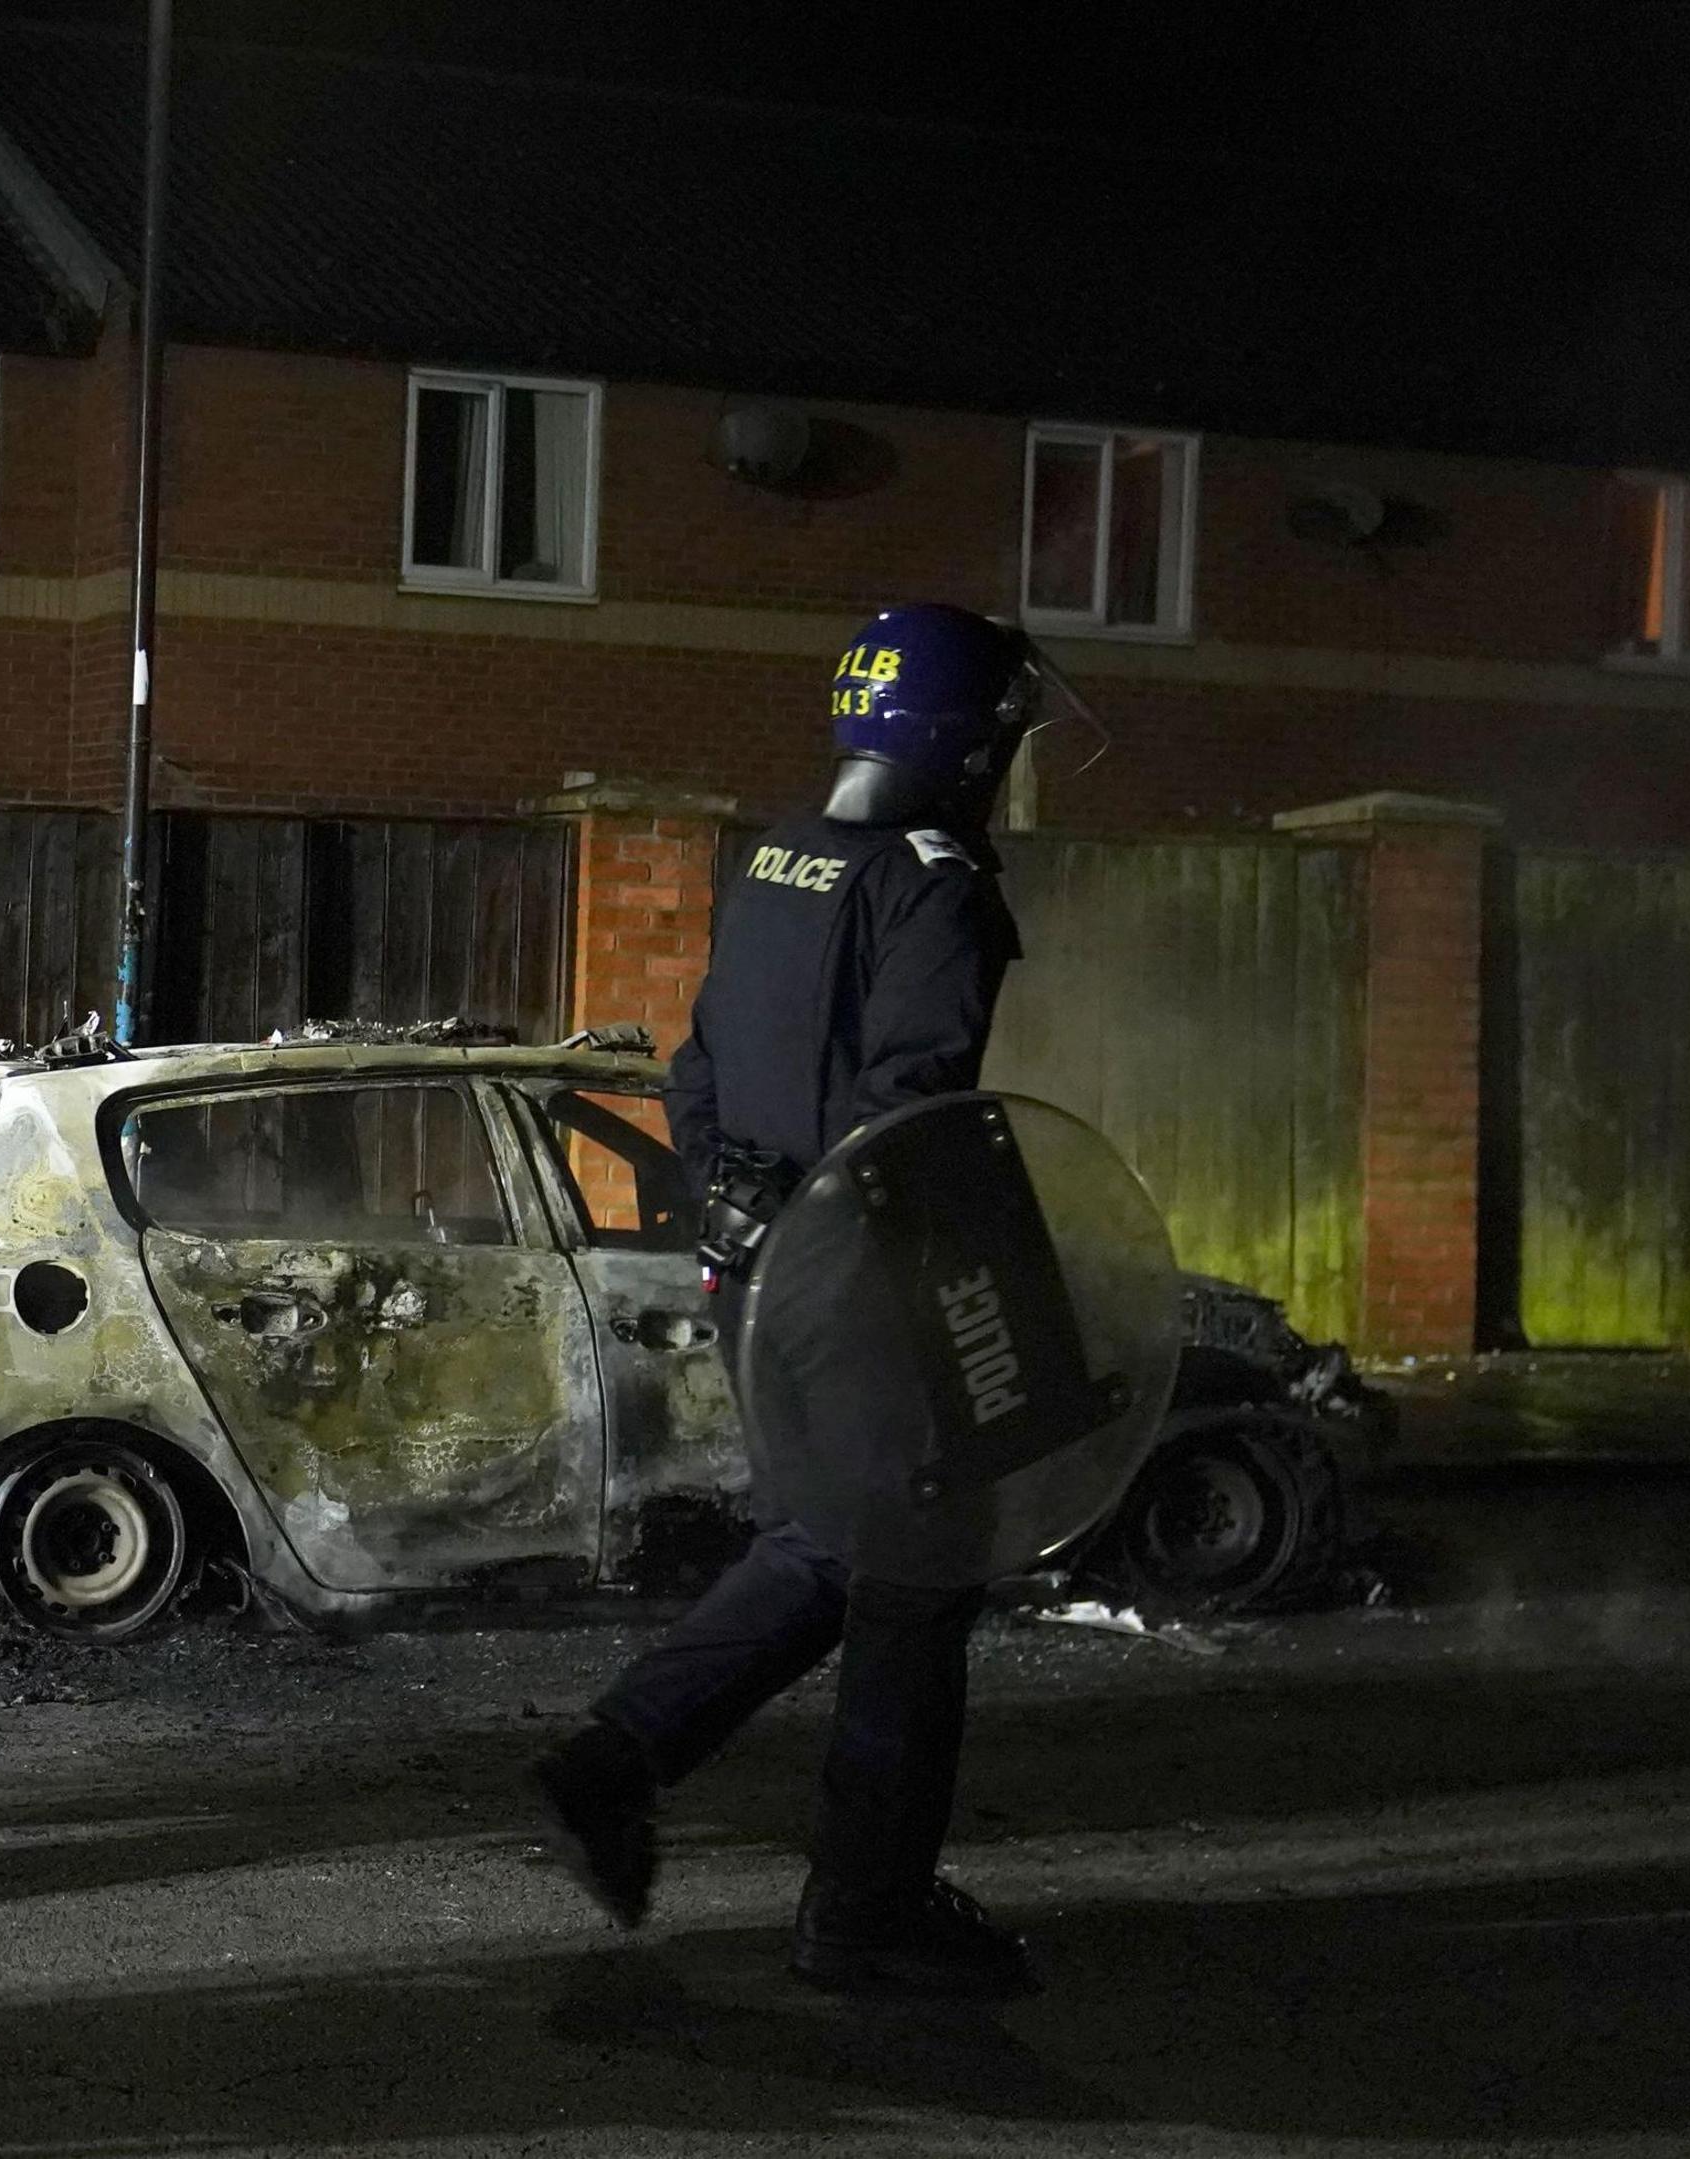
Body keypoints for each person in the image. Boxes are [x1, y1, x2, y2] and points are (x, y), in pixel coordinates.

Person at [534, 602, 1048, 1998]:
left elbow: (700, 1069)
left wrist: (733, 1193)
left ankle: (616, 1755)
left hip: (757, 1273)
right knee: (915, 1575)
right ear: (958, 740)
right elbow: (915, 1101)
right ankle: (865, 1908)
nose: (1008, 760)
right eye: (1003, 734)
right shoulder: (934, 882)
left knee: (824, 1540)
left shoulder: (776, 856)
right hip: (868, 1278)